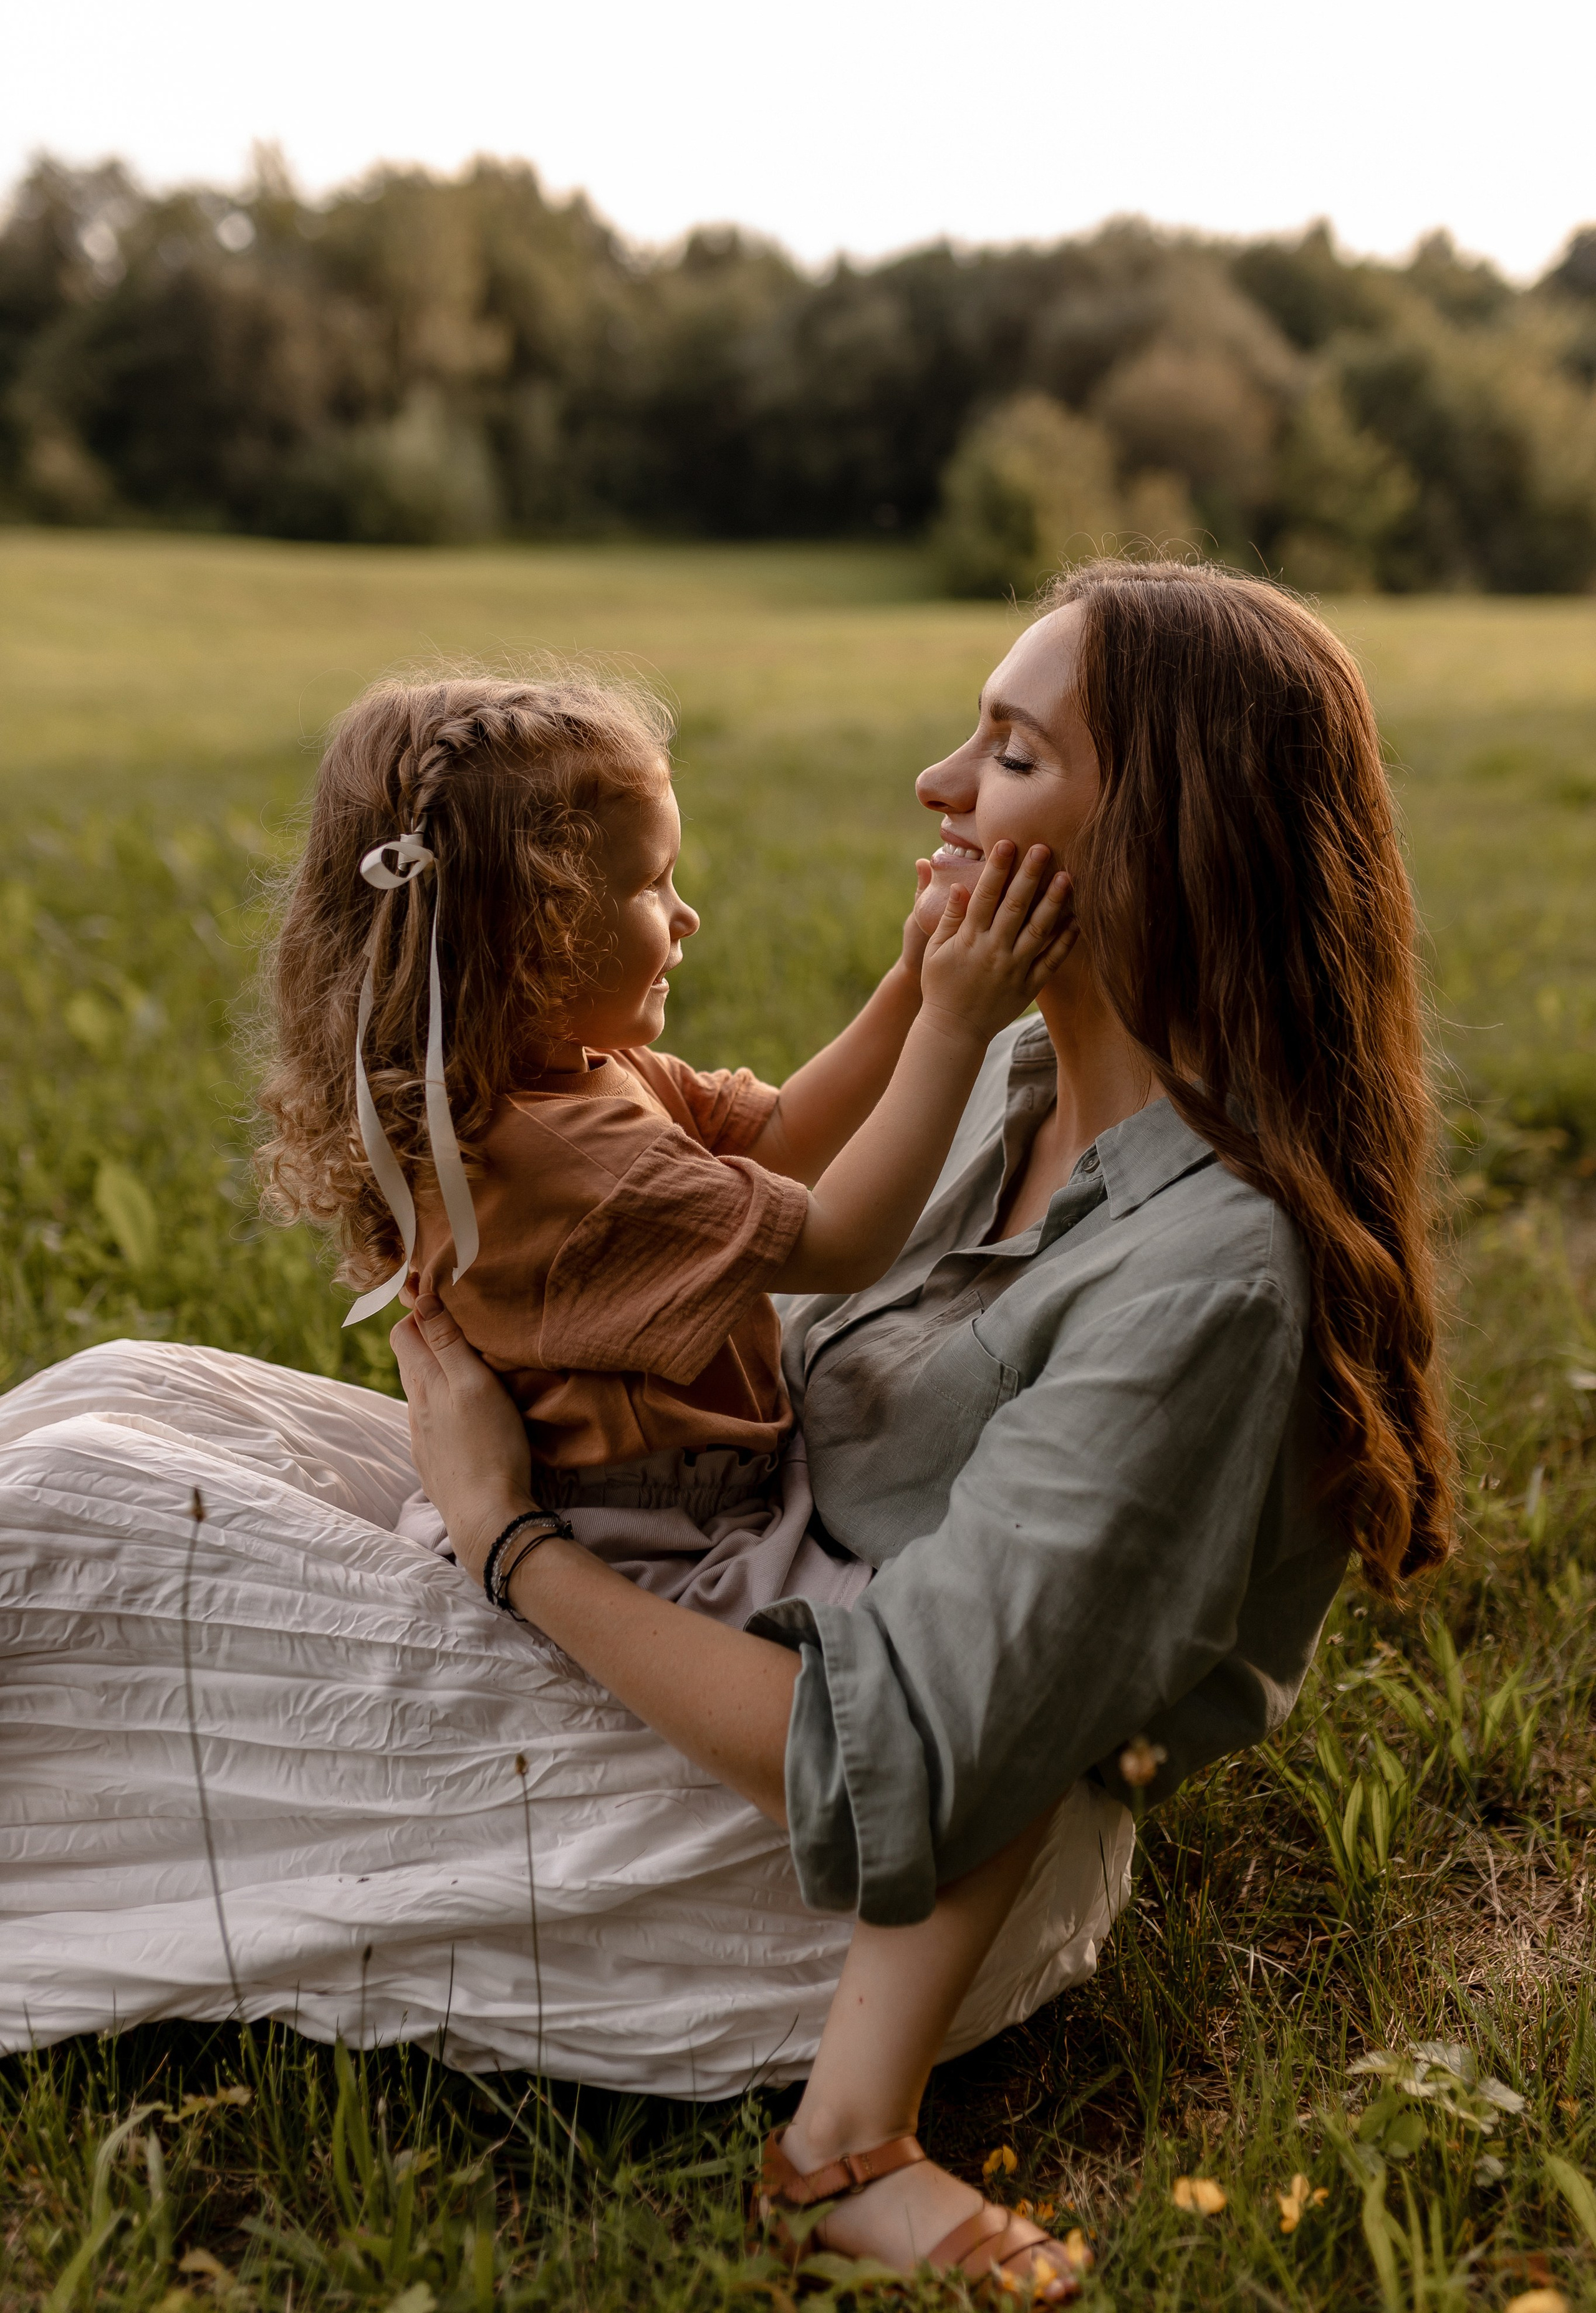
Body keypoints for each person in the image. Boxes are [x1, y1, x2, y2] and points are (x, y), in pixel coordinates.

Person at [0, 559, 1452, 2297]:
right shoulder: (1016, 1083)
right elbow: (786, 1180)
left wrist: (504, 1536)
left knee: (66, 1517)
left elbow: (916, 1747)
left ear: (1168, 828)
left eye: (1005, 752)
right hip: (720, 1575)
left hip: (816, 1852)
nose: (937, 784)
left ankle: (843, 2147)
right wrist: (930, 1011)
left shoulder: (1206, 1276)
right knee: (115, 1410)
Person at [255, 673, 1072, 1628]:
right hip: (645, 1542)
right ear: (530, 934)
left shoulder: (557, 1075)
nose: (685, 916)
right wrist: (953, 1022)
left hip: (685, 1491)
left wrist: (907, 977)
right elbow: (846, 1240)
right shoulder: (576, 1157)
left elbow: (777, 1138)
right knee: (911, 1639)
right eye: (650, 884)